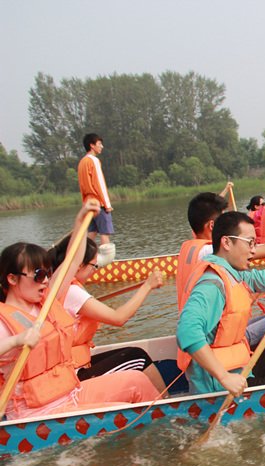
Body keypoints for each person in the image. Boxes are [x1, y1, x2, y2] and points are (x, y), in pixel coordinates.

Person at [0, 201, 159, 421]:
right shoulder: (4, 321)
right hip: (38, 413)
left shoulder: (47, 301)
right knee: (125, 413)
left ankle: (166, 426)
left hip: (69, 394)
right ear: (12, 279)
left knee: (136, 380)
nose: (45, 281)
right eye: (38, 275)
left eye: (47, 274)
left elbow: (73, 260)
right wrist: (16, 341)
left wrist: (82, 219)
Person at [176, 211, 265, 396]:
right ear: (226, 242)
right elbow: (187, 332)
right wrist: (224, 377)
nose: (253, 250)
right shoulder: (212, 284)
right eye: (250, 243)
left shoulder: (232, 272)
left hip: (240, 369)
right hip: (222, 387)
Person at [177, 192, 265, 340]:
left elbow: (264, 279)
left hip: (217, 327)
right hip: (216, 336)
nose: (251, 249)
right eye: (224, 220)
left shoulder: (189, 249)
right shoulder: (209, 252)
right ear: (212, 226)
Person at [48, 236, 167, 391]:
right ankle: (166, 402)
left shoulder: (55, 285)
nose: (94, 271)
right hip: (73, 374)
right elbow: (119, 318)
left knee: (132, 355)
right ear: (79, 265)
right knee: (138, 358)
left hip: (73, 365)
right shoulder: (72, 291)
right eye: (94, 266)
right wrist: (147, 286)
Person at [77, 133, 116, 260]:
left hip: (88, 203)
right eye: (99, 144)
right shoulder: (93, 161)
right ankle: (106, 262)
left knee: (92, 233)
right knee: (105, 233)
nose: (102, 146)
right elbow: (99, 184)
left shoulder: (82, 162)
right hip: (99, 203)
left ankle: (84, 259)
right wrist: (107, 205)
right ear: (92, 146)